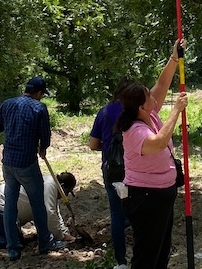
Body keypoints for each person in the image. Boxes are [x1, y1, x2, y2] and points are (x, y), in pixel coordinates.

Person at [116, 40, 188, 269]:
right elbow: (157, 143)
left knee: (160, 251)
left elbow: (163, 82)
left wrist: (174, 58)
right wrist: (176, 110)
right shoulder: (135, 131)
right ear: (141, 106)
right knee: (146, 256)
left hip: (161, 196)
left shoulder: (150, 114)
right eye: (149, 96)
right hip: (146, 199)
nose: (154, 95)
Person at [0, 76, 66, 261]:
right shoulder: (39, 108)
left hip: (8, 162)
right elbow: (45, 135)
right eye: (42, 94)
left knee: (10, 203)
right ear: (39, 93)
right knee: (38, 203)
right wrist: (43, 149)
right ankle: (44, 243)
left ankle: (13, 248)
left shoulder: (7, 104)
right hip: (27, 163)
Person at [88, 78, 134, 269]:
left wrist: (109, 147)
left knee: (115, 213)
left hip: (112, 168)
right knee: (137, 208)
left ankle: (120, 261)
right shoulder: (136, 112)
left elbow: (93, 144)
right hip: (134, 168)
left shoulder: (104, 112)